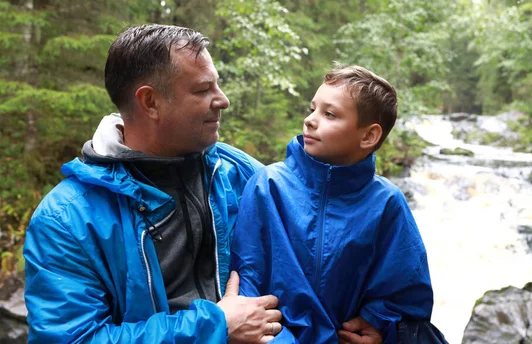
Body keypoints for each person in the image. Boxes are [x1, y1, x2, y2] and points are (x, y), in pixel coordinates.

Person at [23, 24, 283, 343]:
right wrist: (214, 327)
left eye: (218, 86)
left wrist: (361, 313)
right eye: (203, 90)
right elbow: (72, 339)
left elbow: (314, 240)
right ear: (150, 103)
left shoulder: (238, 172)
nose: (223, 100)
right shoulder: (66, 220)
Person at [231, 65, 436, 343]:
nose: (310, 120)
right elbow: (248, 276)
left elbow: (405, 290)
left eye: (330, 114)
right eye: (312, 108)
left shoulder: (387, 202)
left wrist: (377, 325)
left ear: (368, 136)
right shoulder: (268, 186)